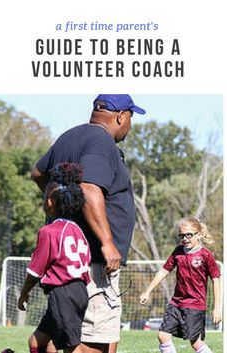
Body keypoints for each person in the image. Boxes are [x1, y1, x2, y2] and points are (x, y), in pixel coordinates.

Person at [31, 94, 146, 353]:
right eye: (131, 118)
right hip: (93, 261)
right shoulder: (102, 141)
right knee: (95, 345)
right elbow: (90, 189)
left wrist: (58, 208)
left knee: (48, 338)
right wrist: (107, 243)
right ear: (121, 116)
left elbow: (39, 173)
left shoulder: (70, 136)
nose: (129, 126)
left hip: (66, 262)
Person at [18, 163, 91, 353]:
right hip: (80, 291)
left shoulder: (49, 231)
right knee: (36, 342)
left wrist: (24, 292)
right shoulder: (78, 231)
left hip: (63, 294)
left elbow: (35, 271)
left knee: (71, 347)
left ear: (50, 202)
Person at [139, 217, 221, 353]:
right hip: (176, 303)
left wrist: (217, 308)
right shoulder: (178, 252)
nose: (185, 238)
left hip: (195, 305)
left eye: (189, 235)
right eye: (181, 235)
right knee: (163, 335)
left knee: (195, 342)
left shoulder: (205, 255)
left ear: (199, 234)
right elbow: (163, 271)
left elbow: (216, 279)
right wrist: (147, 291)